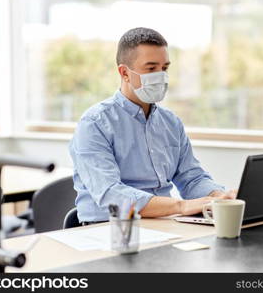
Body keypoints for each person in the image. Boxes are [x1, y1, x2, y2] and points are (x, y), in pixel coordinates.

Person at [69, 27, 236, 224]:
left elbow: (191, 178)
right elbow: (110, 194)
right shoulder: (94, 124)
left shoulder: (170, 123)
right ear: (124, 73)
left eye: (164, 68)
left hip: (164, 224)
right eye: (151, 68)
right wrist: (182, 207)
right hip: (111, 228)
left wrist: (220, 197)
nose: (161, 76)